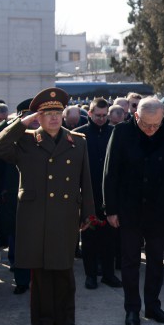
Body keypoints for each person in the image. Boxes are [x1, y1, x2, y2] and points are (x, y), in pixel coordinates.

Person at [0, 88, 95, 325]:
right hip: (35, 216)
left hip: (65, 213)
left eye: (57, 112)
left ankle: (65, 318)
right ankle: (42, 321)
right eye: (47, 113)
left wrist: (88, 214)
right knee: (40, 272)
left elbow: (86, 180)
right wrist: (21, 121)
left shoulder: (77, 141)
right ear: (38, 116)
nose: (53, 118)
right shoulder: (26, 140)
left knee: (63, 270)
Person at [103, 97, 164, 325]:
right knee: (130, 261)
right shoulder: (121, 132)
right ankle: (132, 308)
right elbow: (110, 173)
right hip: (129, 207)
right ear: (135, 116)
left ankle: (153, 305)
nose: (151, 130)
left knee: (157, 259)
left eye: (156, 125)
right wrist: (111, 209)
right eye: (146, 124)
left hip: (159, 207)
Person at [0, 98, 33, 295]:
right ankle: (22, 279)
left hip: (41, 197)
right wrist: (10, 123)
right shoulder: (11, 138)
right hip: (15, 196)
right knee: (19, 239)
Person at [74, 98, 121, 290]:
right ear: (90, 113)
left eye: (104, 115)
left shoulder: (115, 133)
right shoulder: (79, 135)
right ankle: (91, 275)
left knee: (110, 239)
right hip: (88, 194)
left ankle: (109, 275)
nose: (101, 119)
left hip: (110, 194)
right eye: (97, 115)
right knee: (90, 239)